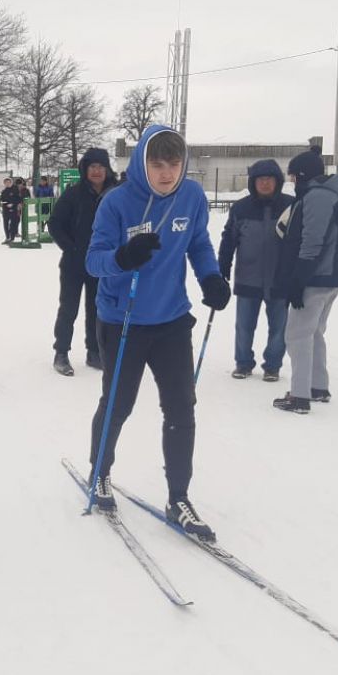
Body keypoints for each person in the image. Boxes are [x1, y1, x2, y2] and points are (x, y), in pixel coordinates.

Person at [84, 124, 230, 541]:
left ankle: (178, 496)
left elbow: (199, 243)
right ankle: (99, 471)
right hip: (122, 319)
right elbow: (92, 262)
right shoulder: (116, 204)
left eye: (174, 164)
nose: (166, 173)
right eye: (157, 163)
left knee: (182, 408)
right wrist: (123, 256)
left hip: (171, 320)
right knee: (118, 403)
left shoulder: (192, 197)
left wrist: (211, 279)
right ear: (141, 163)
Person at [272, 148, 338, 413]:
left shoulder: (318, 197)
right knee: (313, 331)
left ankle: (300, 396)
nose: (293, 183)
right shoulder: (330, 195)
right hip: (329, 276)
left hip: (317, 277)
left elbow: (312, 242)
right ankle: (317, 386)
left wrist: (299, 280)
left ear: (303, 175)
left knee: (296, 335)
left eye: (294, 177)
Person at [217, 159, 294, 381]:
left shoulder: (291, 206)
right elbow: (228, 239)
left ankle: (272, 365)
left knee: (279, 328)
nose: (265, 183)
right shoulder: (241, 208)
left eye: (269, 179)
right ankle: (243, 363)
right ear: (253, 182)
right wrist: (223, 264)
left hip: (280, 279)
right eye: (260, 179)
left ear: (278, 181)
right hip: (248, 277)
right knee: (244, 326)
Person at [48, 148, 118, 376]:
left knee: (97, 309)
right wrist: (72, 248)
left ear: (107, 169)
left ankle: (95, 352)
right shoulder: (74, 193)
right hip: (74, 264)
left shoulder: (115, 194)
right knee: (69, 308)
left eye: (101, 166)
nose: (97, 171)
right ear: (85, 169)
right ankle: (61, 352)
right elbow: (55, 223)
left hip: (101, 264)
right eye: (92, 166)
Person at [0, 177, 22, 243]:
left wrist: (13, 204)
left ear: (11, 183)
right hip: (5, 209)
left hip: (14, 209)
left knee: (13, 224)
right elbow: (2, 199)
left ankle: (12, 238)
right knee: (5, 223)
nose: (7, 184)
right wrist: (2, 202)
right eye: (6, 183)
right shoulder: (4, 191)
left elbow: (18, 199)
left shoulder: (15, 189)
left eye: (9, 182)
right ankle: (7, 237)